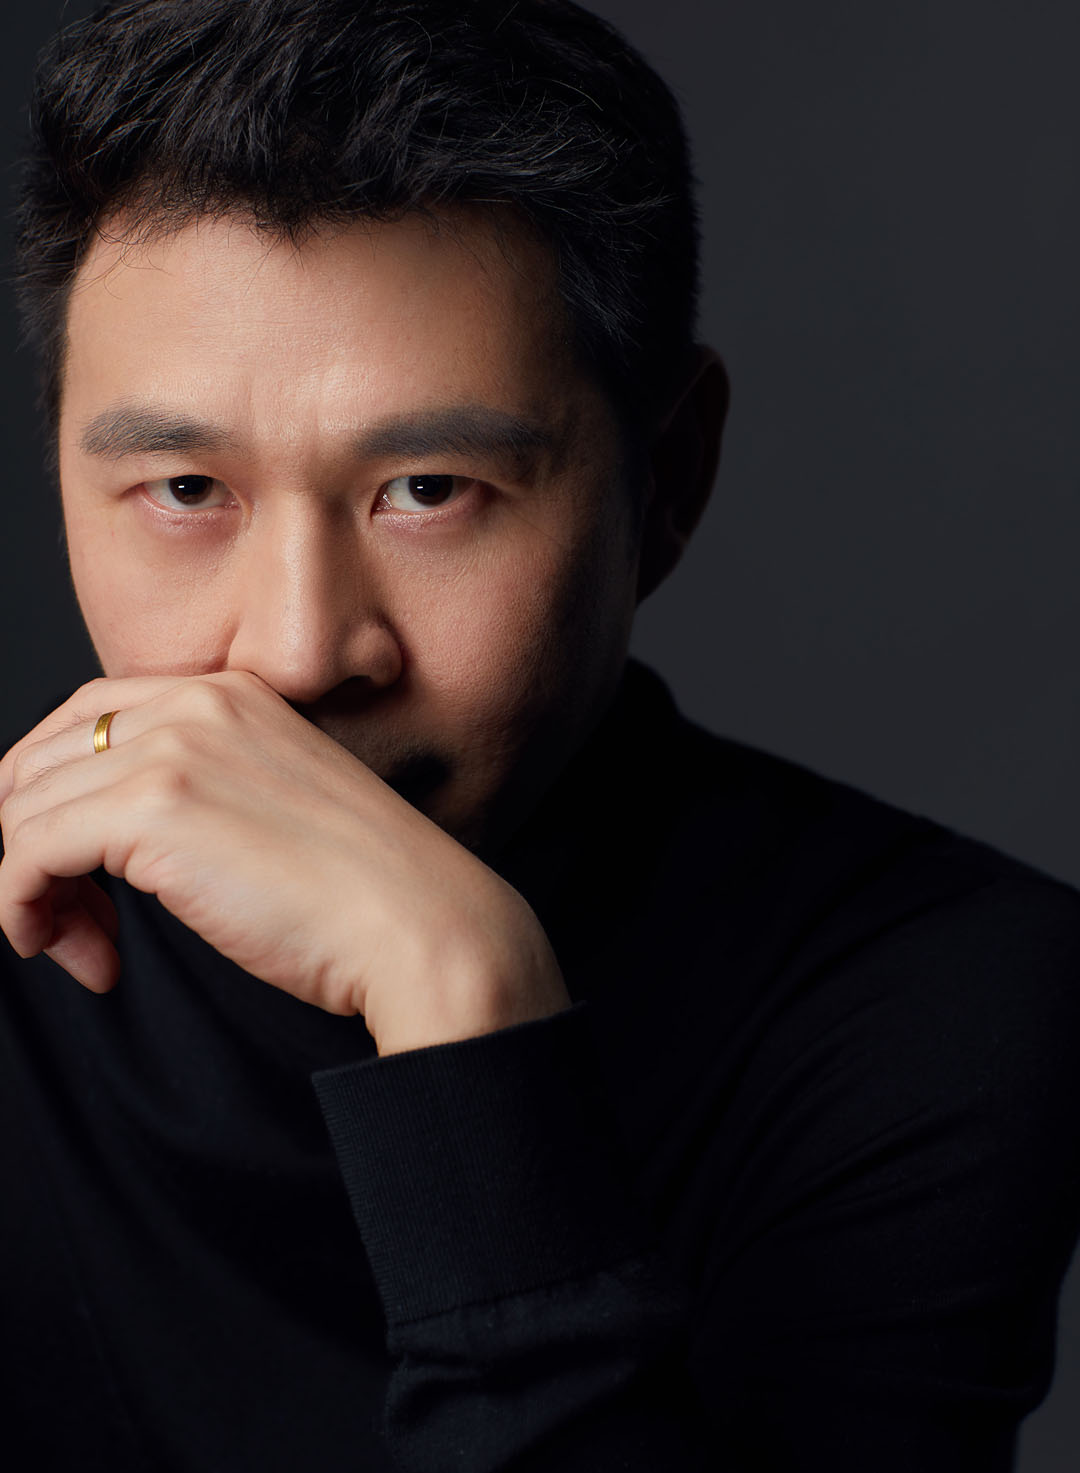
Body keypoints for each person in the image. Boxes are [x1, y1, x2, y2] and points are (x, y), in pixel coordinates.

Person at [1, 1, 1078, 1468]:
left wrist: (459, 996)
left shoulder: (939, 1002)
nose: (300, 653)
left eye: (429, 488)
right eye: (187, 491)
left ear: (666, 482)